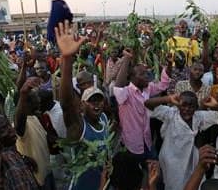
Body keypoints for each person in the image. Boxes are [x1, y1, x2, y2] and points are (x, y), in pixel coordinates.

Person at [55, 21, 110, 190]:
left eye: (98, 99)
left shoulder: (104, 119)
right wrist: (66, 58)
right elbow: (66, 104)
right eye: (91, 101)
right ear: (82, 105)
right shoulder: (78, 126)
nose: (97, 104)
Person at [0, 58, 39, 189]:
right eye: (4, 129)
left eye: (8, 126)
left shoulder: (11, 151)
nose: (11, 130)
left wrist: (23, 162)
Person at [144, 92, 218, 190]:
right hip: (171, 161)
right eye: (184, 105)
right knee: (173, 185)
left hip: (190, 159)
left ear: (196, 107)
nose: (187, 109)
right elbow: (147, 103)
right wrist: (168, 98)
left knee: (193, 182)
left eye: (191, 106)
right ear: (178, 105)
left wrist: (216, 106)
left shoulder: (199, 117)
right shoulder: (171, 114)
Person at [113, 47, 171, 161]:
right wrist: (126, 58)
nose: (147, 76)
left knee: (153, 166)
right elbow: (118, 89)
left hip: (147, 141)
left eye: (147, 73)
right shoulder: (126, 93)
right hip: (132, 144)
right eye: (143, 74)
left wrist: (168, 64)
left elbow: (163, 84)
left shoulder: (148, 88)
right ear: (132, 77)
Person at [14, 77, 53, 188]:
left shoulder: (35, 118)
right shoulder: (23, 125)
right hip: (37, 180)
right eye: (35, 96)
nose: (39, 99)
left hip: (47, 173)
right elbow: (18, 123)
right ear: (26, 102)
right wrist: (23, 93)